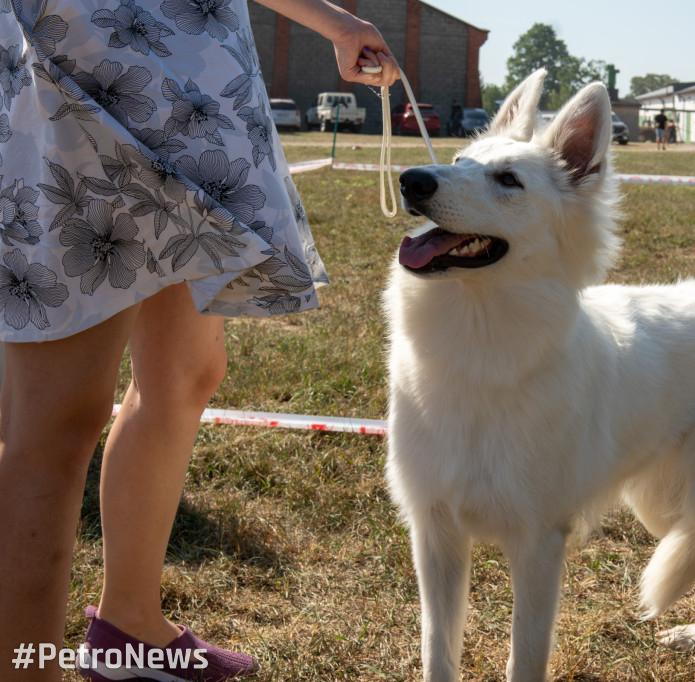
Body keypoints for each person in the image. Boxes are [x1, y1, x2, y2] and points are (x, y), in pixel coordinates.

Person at [0, 1, 398, 681]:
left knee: (185, 373)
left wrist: (334, 23)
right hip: (80, 59)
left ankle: (130, 627)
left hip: (193, 85)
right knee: (55, 421)